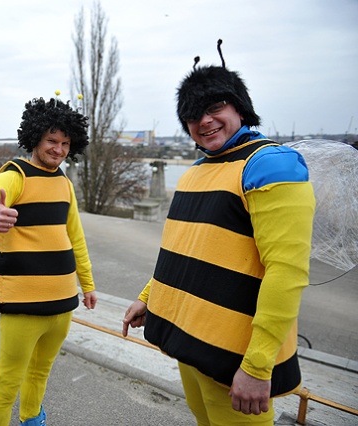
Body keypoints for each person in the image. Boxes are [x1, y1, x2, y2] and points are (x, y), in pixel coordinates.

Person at [122, 41, 315, 426]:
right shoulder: (198, 170)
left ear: (238, 108)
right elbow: (186, 249)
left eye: (214, 109)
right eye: (194, 116)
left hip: (236, 358)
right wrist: (150, 296)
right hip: (192, 345)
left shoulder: (270, 164)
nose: (204, 121)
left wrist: (258, 367)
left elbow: (287, 273)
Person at [0, 97, 98, 426]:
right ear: (35, 138)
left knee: (40, 375)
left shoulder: (65, 184)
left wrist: (88, 284)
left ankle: (32, 421)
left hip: (63, 304)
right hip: (21, 304)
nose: (59, 149)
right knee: (7, 383)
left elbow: (76, 238)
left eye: (66, 143)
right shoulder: (15, 175)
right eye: (52, 141)